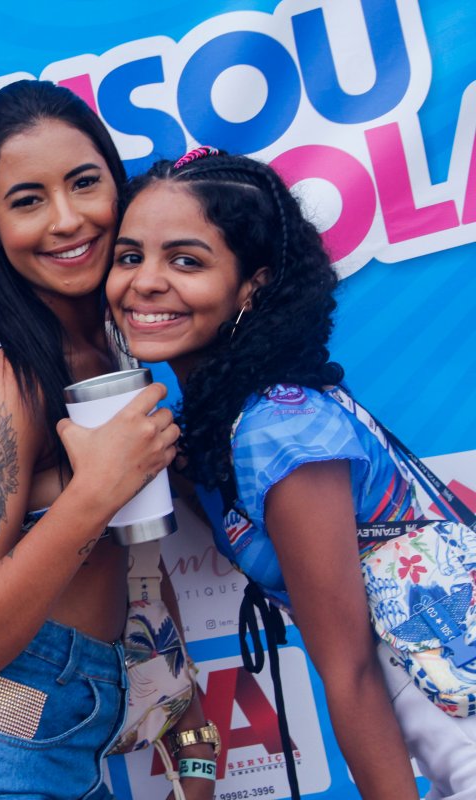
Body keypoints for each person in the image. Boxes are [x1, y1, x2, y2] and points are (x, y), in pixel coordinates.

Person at [0, 79, 214, 800]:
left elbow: (134, 563)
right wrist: (97, 489)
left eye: (84, 183)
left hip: (61, 739)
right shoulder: (8, 380)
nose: (67, 220)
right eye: (28, 200)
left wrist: (190, 732)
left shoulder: (111, 345)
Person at [106, 146, 476, 799]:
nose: (146, 282)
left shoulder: (279, 431)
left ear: (252, 286)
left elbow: (352, 672)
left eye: (187, 260)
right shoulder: (225, 424)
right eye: (130, 256)